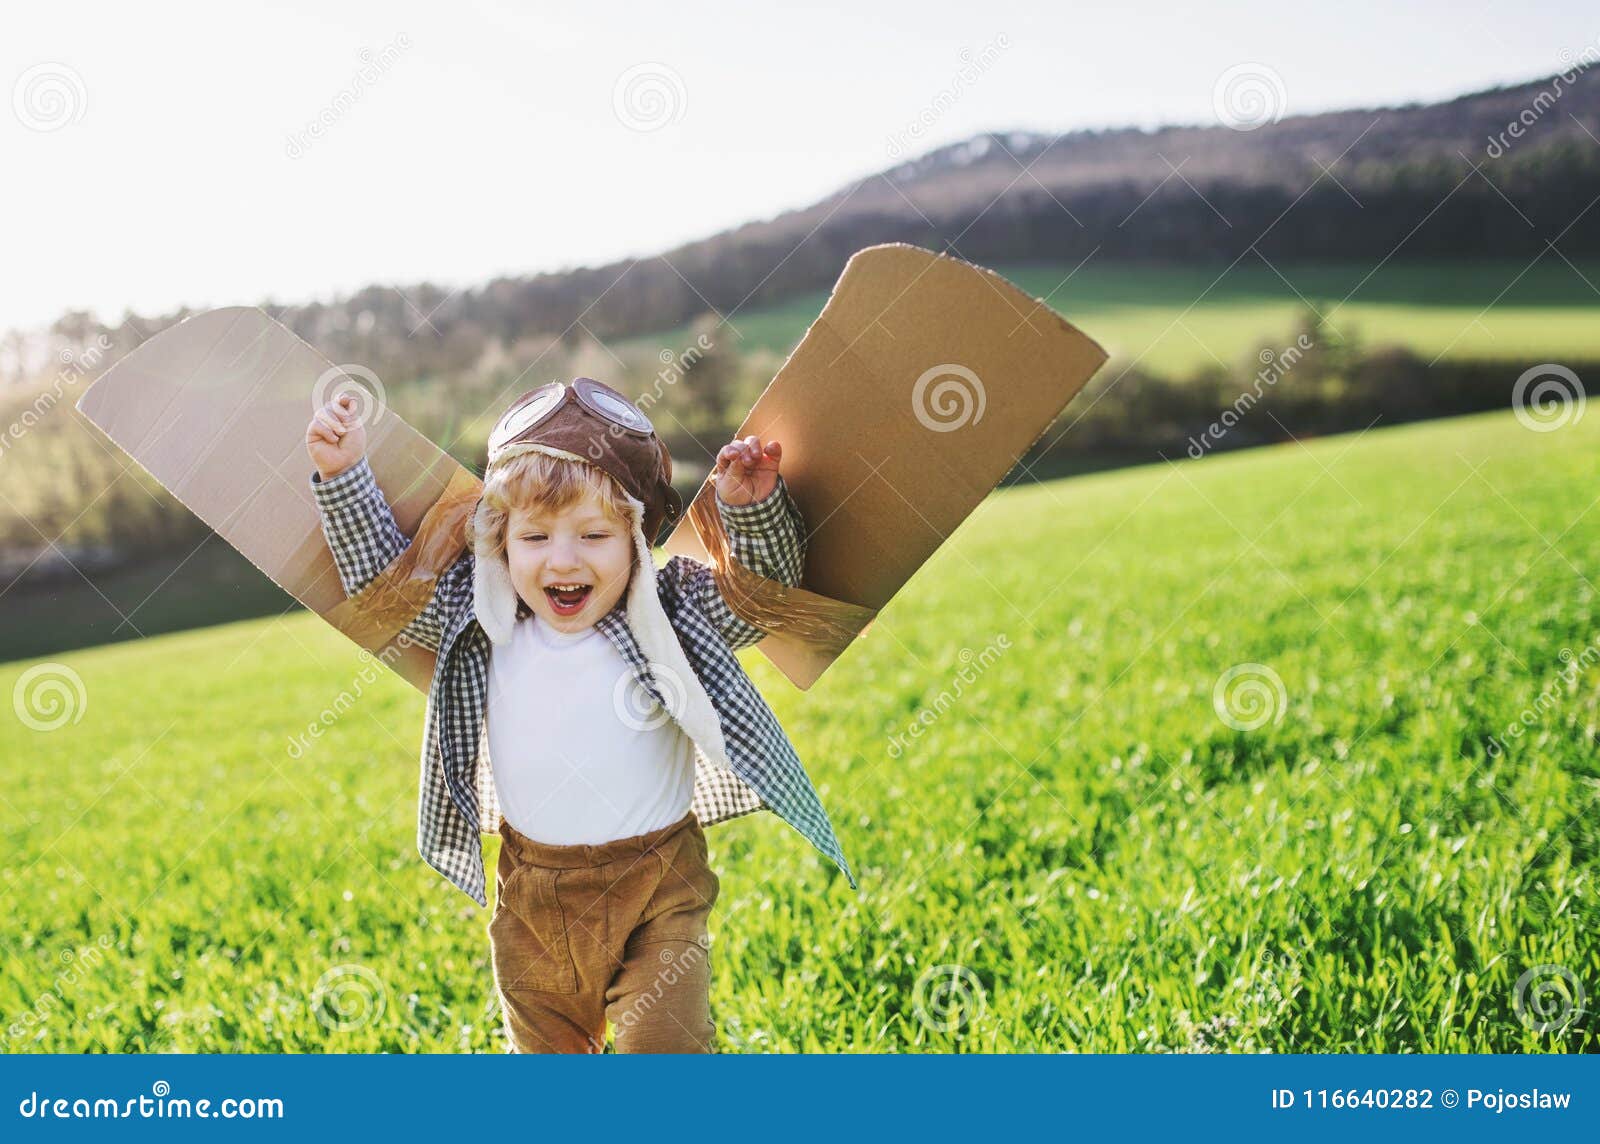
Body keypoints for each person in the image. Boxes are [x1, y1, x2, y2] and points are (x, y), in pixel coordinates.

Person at [304, 379, 855, 1052]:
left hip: (659, 886)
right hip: (533, 897)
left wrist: (753, 509)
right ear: (500, 543)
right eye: (534, 536)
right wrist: (343, 476)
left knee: (667, 1048)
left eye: (593, 534)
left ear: (636, 539)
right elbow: (384, 588)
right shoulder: (480, 616)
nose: (563, 560)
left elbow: (761, 601)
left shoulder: (672, 610)